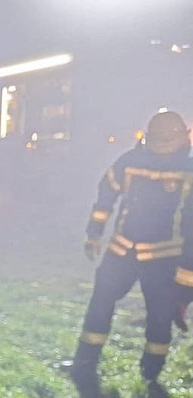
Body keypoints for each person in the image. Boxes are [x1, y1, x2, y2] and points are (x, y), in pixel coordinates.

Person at [66, 110, 193, 383]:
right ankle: (85, 362)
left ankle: (151, 371)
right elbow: (106, 196)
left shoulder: (189, 170)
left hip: (164, 258)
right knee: (100, 302)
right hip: (121, 251)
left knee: (160, 315)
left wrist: (187, 272)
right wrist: (94, 232)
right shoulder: (129, 161)